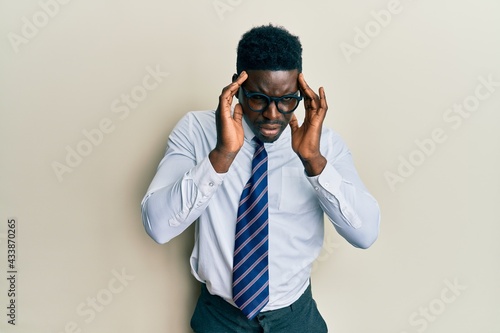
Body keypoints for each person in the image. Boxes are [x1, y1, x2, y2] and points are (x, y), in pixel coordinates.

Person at [141, 24, 380, 333]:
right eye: (258, 98)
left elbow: (366, 234)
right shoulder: (196, 131)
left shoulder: (326, 145)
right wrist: (222, 156)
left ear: (299, 92)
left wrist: (314, 161)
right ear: (236, 85)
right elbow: (158, 227)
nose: (272, 114)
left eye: (286, 100)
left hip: (295, 316)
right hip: (220, 318)